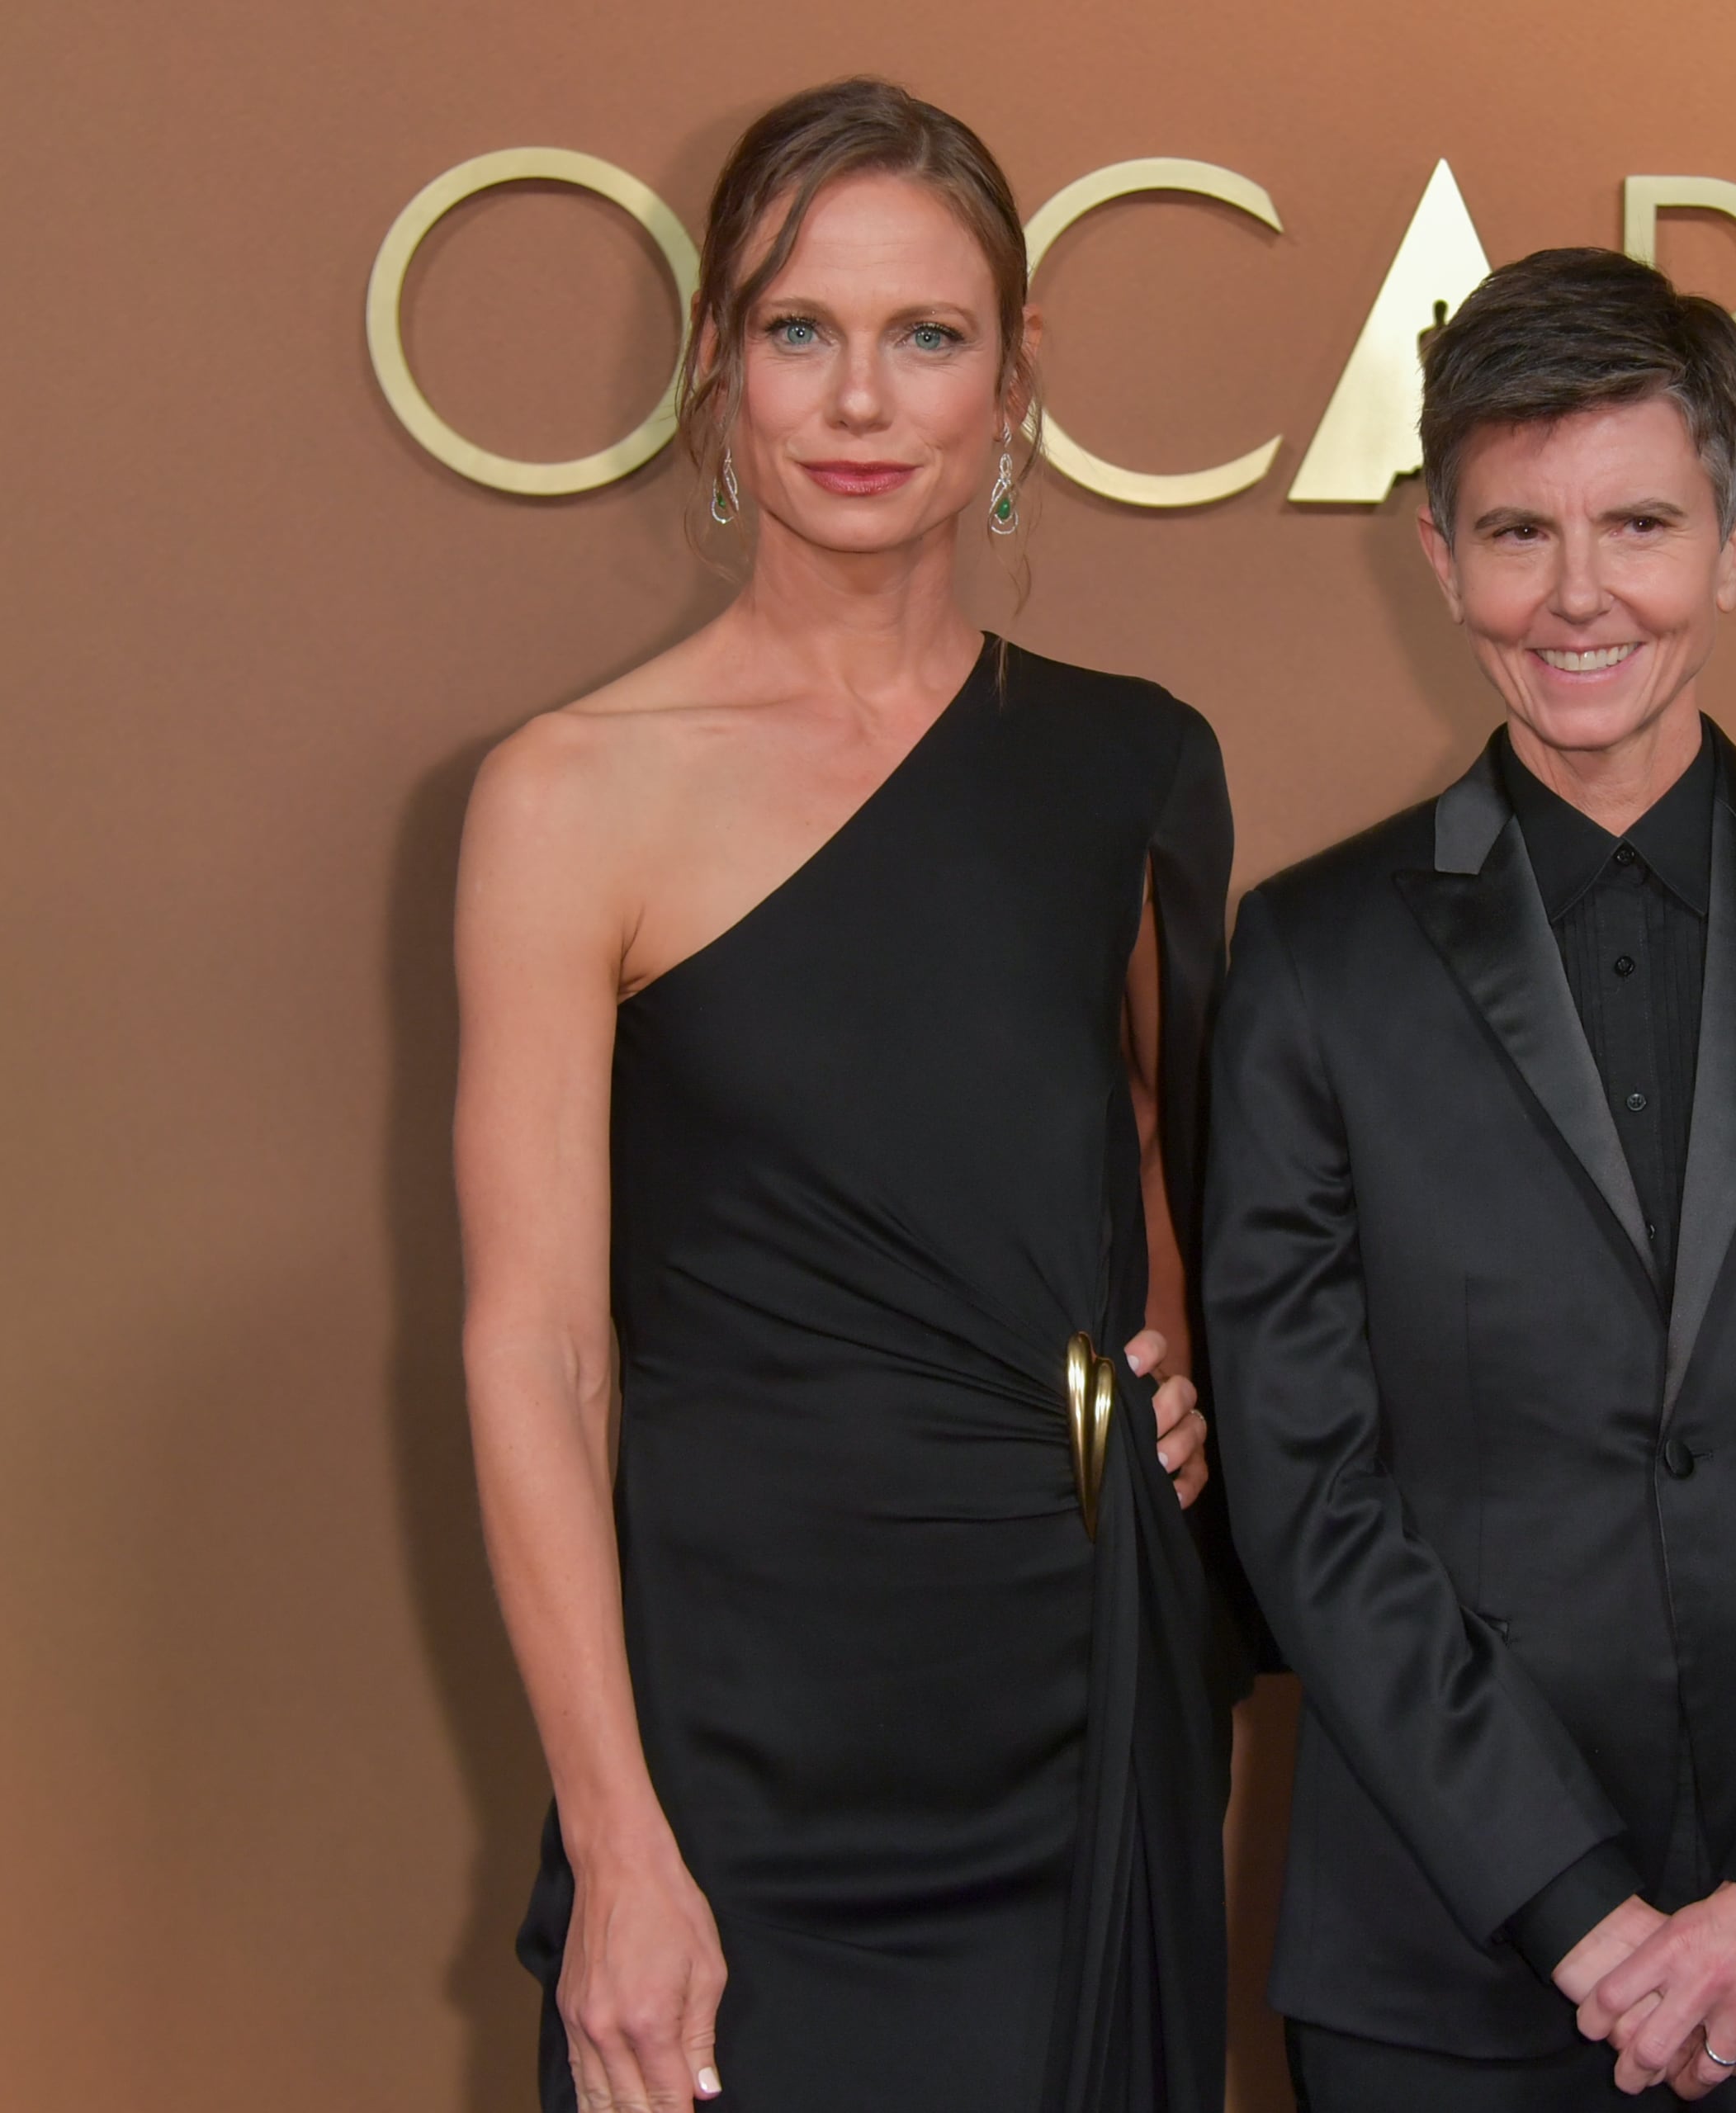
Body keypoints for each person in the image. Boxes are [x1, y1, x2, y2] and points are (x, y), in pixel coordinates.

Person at [1204, 247, 1736, 2112]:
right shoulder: (1308, 956)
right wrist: (1580, 1906)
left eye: (1639, 523)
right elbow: (1306, 1485)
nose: (1577, 592)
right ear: (1437, 556)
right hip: (1458, 1965)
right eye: (1517, 531)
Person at [452, 78, 1245, 2113]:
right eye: (801, 332)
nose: (861, 400)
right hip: (738, 1761)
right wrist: (618, 1834)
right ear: (718, 366)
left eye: (927, 334)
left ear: (1016, 376)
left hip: (1073, 1711)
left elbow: (1145, 1153)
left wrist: (1166, 1369)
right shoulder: (571, 789)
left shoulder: (1131, 761)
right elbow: (538, 1343)